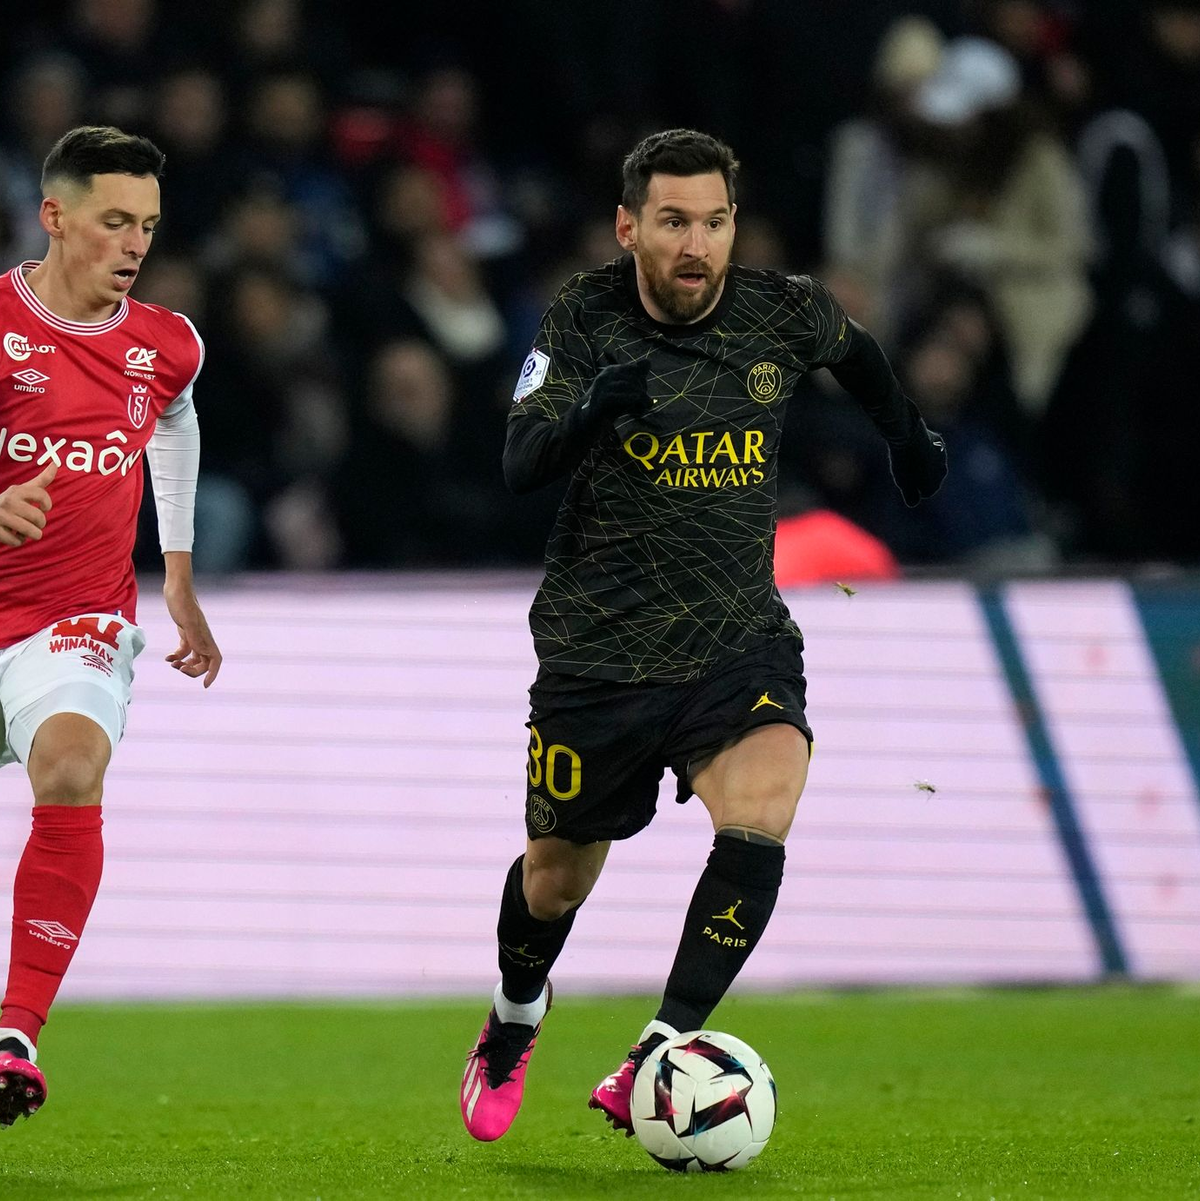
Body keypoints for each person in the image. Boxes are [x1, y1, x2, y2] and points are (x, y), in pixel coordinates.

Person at [458, 128, 946, 1142]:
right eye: (674, 221)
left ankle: (657, 1047)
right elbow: (519, 461)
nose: (697, 244)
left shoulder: (780, 309)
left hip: (737, 639)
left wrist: (908, 436)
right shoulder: (583, 315)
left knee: (762, 808)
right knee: (555, 879)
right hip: (601, 651)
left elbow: (854, 355)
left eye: (714, 222)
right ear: (629, 226)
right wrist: (591, 409)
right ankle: (514, 1014)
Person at [0, 125, 221, 1126]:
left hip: (75, 620)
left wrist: (175, 575)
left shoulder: (167, 344)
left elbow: (173, 422)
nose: (134, 244)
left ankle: (14, 1033)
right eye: (113, 222)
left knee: (73, 767)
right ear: (55, 216)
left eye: (149, 226)